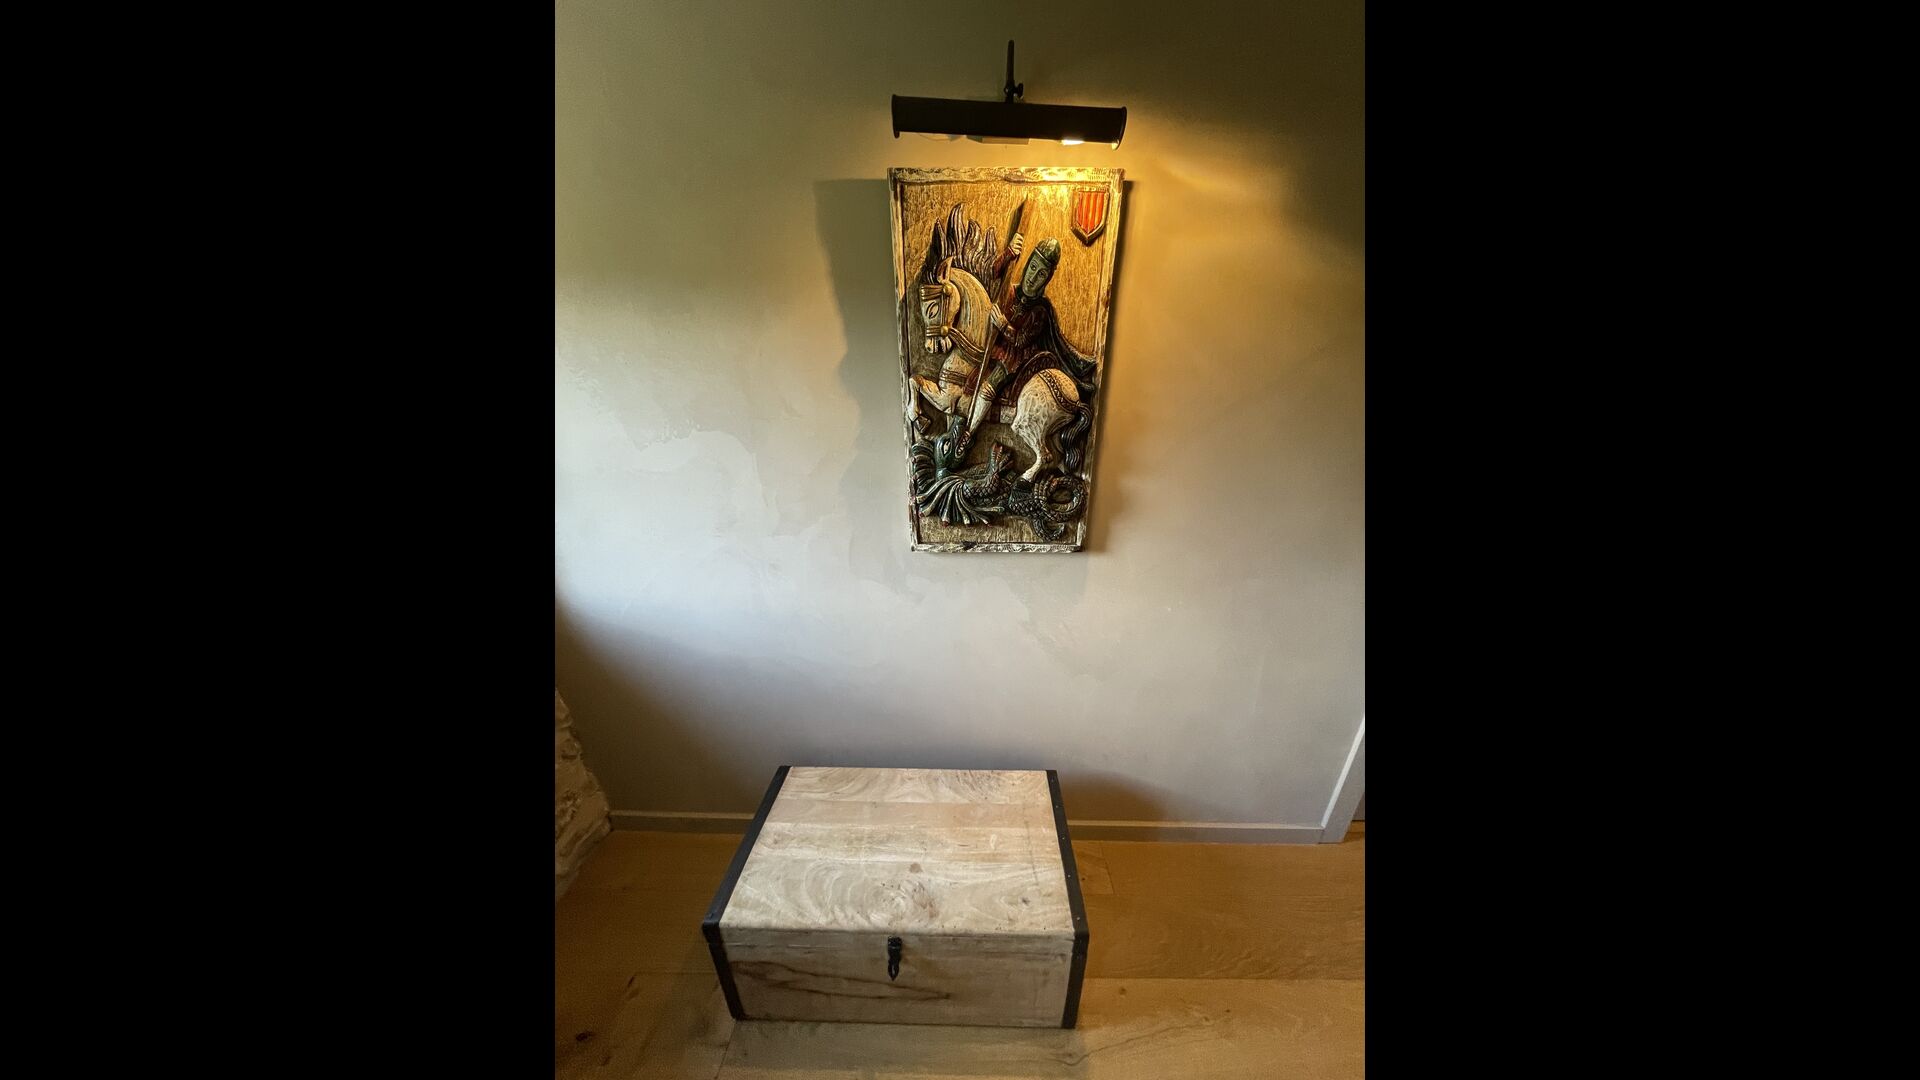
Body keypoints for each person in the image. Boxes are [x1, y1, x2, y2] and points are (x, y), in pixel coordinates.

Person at [959, 236, 1100, 443]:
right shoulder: (1010, 290)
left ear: (1047, 279)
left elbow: (1021, 341)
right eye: (1033, 268)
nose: (1033, 278)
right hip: (995, 348)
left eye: (1041, 274)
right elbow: (992, 274)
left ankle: (968, 434)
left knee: (991, 384)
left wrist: (1003, 324)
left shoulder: (1040, 310)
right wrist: (1008, 254)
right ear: (1026, 266)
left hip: (1014, 359)